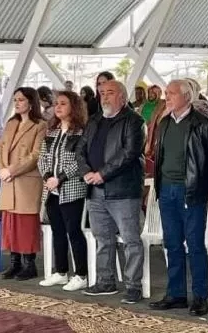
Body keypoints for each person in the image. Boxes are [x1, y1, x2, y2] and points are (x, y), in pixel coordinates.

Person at [149, 79, 208, 316]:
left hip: (191, 192)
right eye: (166, 93)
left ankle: (200, 296)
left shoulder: (203, 124)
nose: (167, 97)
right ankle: (176, 294)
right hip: (167, 190)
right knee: (172, 244)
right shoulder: (164, 123)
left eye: (171, 93)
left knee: (195, 246)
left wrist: (202, 191)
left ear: (186, 96)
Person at [77, 80, 145, 303]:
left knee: (130, 240)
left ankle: (133, 286)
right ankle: (105, 281)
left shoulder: (134, 121)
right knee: (102, 239)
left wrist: (102, 174)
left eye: (110, 93)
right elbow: (80, 150)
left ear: (122, 97)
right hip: (95, 190)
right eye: (102, 93)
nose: (105, 97)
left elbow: (129, 153)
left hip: (123, 190)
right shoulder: (94, 120)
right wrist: (87, 172)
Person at [37, 90, 89, 291]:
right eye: (56, 103)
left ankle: (81, 274)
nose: (58, 107)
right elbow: (42, 157)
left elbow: (80, 160)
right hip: (51, 190)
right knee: (57, 231)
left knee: (73, 231)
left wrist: (59, 178)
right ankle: (61, 272)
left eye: (63, 103)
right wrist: (47, 176)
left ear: (74, 107)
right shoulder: (51, 131)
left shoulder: (81, 132)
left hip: (72, 189)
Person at [0, 87, 47, 280]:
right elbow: (0, 147)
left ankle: (29, 264)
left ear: (31, 102)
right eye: (15, 100)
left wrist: (11, 170)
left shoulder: (40, 125)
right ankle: (14, 262)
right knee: (10, 223)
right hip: (8, 180)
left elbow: (35, 155)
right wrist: (2, 169)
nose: (17, 103)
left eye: (21, 100)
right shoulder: (11, 123)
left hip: (26, 181)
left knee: (25, 224)